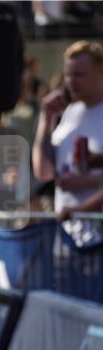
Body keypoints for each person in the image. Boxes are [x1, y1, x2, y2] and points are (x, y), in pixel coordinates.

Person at [32, 40, 103, 249]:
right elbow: (43, 172)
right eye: (68, 75)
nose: (71, 82)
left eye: (79, 75)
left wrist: (88, 187)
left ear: (100, 71)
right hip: (68, 239)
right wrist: (46, 118)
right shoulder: (70, 112)